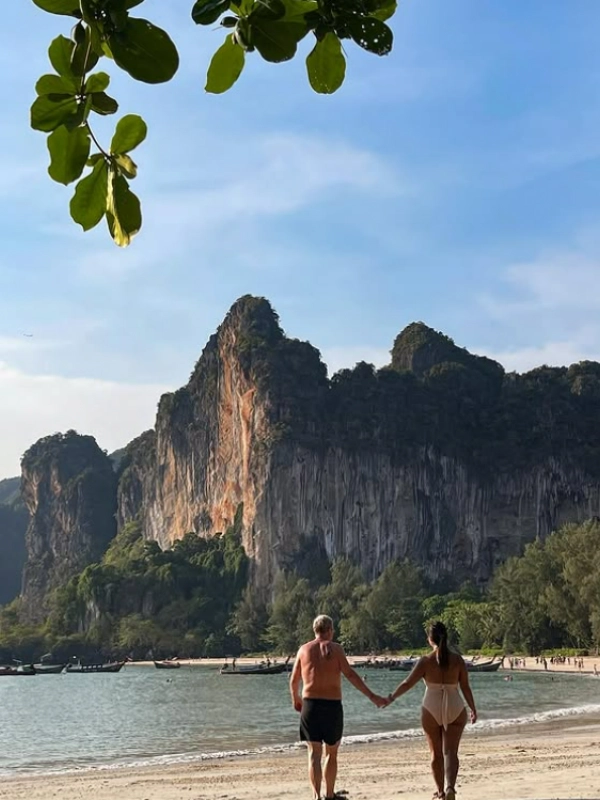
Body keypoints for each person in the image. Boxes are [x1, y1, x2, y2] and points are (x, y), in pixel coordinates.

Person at [290, 614, 387, 800]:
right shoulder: (336, 649)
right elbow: (350, 675)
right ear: (330, 630)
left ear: (315, 631)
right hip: (332, 706)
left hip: (310, 704)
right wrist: (372, 697)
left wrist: (295, 698)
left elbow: (294, 679)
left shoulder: (303, 650)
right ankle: (329, 794)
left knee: (314, 753)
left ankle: (316, 796)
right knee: (331, 753)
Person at [385, 622, 477, 800]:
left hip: (431, 706)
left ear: (429, 639)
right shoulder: (457, 660)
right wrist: (473, 708)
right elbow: (465, 687)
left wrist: (390, 698)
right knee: (451, 752)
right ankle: (450, 787)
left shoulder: (425, 661)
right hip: (455, 705)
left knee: (435, 753)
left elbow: (407, 684)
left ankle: (440, 792)